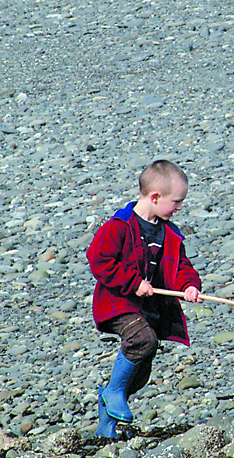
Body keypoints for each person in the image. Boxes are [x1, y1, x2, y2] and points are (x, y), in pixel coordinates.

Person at [87, 160, 203, 438]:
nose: (179, 208)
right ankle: (114, 391)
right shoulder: (119, 226)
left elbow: (180, 266)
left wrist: (189, 285)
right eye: (176, 202)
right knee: (142, 341)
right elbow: (98, 260)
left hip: (147, 307)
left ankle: (107, 423)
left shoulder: (168, 232)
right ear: (155, 197)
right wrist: (133, 282)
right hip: (119, 303)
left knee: (142, 369)